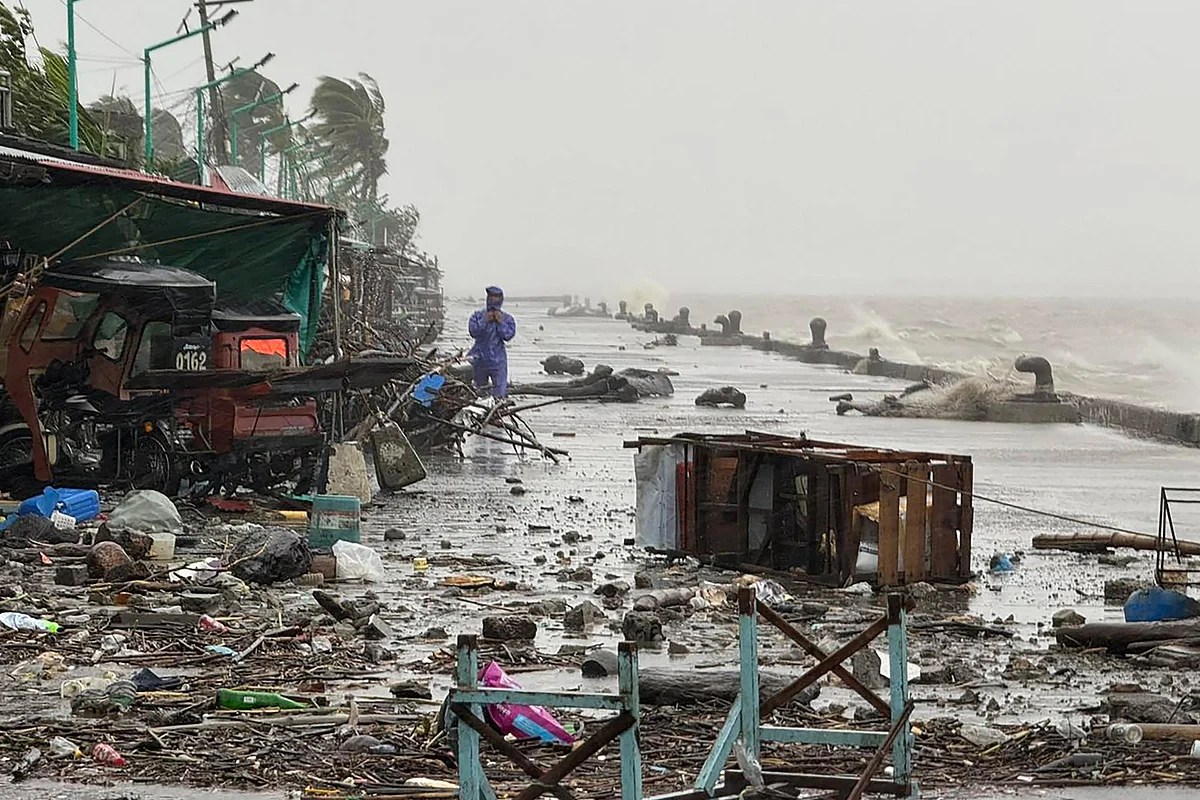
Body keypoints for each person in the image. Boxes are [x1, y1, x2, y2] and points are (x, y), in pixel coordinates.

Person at [468, 285, 516, 398]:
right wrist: (484, 321)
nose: (493, 299)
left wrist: (500, 322)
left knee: (499, 392)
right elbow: (473, 332)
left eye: (496, 297)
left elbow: (508, 336)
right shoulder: (477, 316)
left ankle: (497, 406)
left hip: (498, 360)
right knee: (479, 391)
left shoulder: (507, 318)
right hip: (479, 357)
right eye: (491, 296)